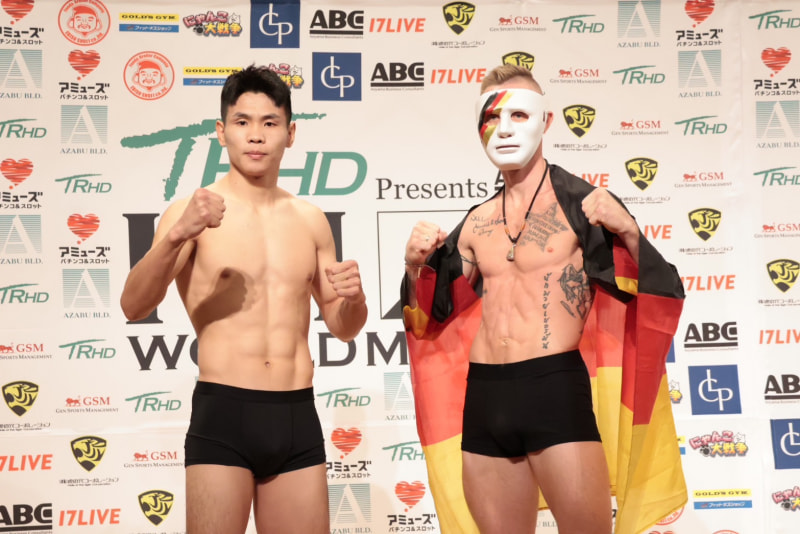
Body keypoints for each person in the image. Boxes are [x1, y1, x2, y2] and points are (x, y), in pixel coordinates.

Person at [402, 64, 686, 534]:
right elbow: (429, 318)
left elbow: (661, 289)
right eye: (492, 118)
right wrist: (414, 266)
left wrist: (631, 233)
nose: (504, 129)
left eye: (519, 114)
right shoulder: (475, 222)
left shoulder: (583, 206)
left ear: (546, 121)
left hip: (553, 388)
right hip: (485, 395)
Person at [120, 65, 367, 534]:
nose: (256, 135)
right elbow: (133, 306)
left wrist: (354, 300)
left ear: (290, 134)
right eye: (242, 121)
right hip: (224, 414)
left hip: (297, 414)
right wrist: (177, 236)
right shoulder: (189, 213)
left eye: (270, 122)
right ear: (221, 132)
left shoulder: (310, 220)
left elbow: (343, 326)